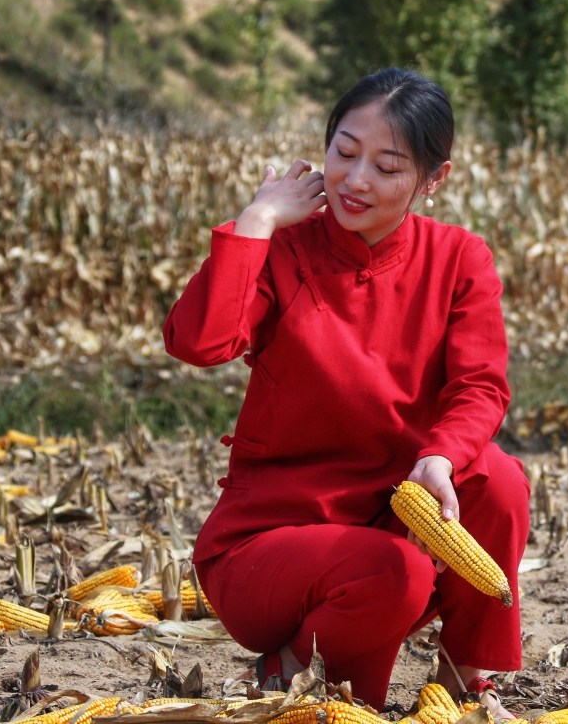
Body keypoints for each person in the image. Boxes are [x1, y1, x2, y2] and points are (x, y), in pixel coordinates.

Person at [163, 68, 528, 716]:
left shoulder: (459, 258)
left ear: (432, 180)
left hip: (393, 520)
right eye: (344, 152)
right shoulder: (285, 250)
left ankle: (465, 678)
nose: (355, 180)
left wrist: (439, 457)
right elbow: (201, 343)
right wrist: (258, 219)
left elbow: (480, 385)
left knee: (496, 480)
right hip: (274, 541)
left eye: (387, 167)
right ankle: (289, 664)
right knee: (398, 573)